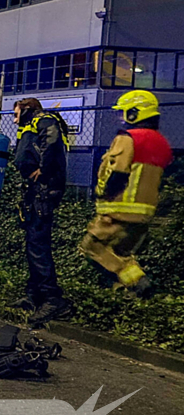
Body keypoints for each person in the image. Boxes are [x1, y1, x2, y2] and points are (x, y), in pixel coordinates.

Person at [79, 90, 172, 297]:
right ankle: (125, 295)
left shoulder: (128, 138)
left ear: (135, 113)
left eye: (123, 113)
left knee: (92, 245)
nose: (120, 117)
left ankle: (138, 281)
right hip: (145, 212)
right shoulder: (162, 143)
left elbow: (117, 171)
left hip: (119, 208)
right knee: (121, 252)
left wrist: (102, 193)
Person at [10, 97, 72, 326]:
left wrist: (42, 172)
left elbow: (52, 144)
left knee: (38, 243)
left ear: (27, 110)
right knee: (33, 242)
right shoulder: (33, 124)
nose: (15, 119)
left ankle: (52, 298)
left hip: (44, 191)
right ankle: (34, 295)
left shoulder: (44, 121)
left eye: (17, 114)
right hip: (36, 190)